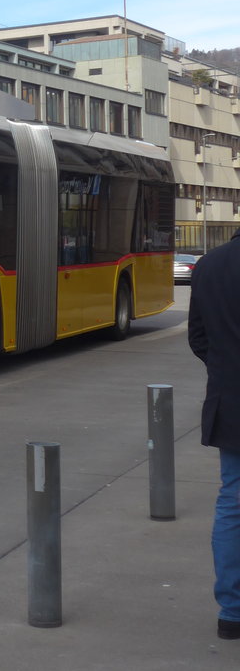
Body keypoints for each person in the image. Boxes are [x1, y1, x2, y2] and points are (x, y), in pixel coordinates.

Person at [188, 229, 240, 640]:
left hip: (231, 404)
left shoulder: (210, 265)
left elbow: (198, 338)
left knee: (232, 504)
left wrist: (226, 371)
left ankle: (232, 613)